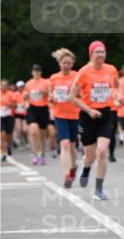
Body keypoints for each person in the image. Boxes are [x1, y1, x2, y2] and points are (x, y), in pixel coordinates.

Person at [70, 41, 119, 200]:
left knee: (102, 151)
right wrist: (89, 110)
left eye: (103, 52)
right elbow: (72, 96)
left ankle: (99, 189)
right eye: (97, 52)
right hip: (88, 116)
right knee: (90, 155)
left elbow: (116, 86)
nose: (100, 54)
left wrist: (117, 97)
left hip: (106, 114)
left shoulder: (111, 70)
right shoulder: (84, 72)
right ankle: (86, 168)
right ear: (91, 54)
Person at [48, 48, 79, 188]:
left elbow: (82, 94)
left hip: (75, 115)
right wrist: (51, 98)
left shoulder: (77, 76)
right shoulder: (54, 78)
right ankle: (66, 174)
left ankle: (73, 167)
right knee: (65, 144)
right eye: (64, 62)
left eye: (69, 63)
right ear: (59, 63)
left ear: (72, 64)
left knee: (72, 146)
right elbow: (50, 97)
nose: (66, 65)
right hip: (60, 115)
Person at [24, 64, 50, 165]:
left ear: (41, 72)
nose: (36, 73)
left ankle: (41, 154)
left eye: (38, 71)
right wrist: (26, 97)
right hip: (32, 108)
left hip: (43, 108)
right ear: (32, 72)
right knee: (33, 131)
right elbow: (25, 97)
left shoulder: (45, 82)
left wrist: (44, 91)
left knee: (42, 134)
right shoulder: (29, 83)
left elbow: (50, 94)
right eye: (35, 71)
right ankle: (34, 154)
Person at [1, 79, 15, 162]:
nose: (3, 86)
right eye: (2, 85)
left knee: (8, 135)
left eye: (5, 85)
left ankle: (8, 146)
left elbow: (15, 105)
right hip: (0, 117)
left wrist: (9, 104)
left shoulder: (11, 94)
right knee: (2, 134)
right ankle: (3, 153)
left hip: (9, 116)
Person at [12, 81, 27, 149]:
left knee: (24, 129)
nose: (20, 88)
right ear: (17, 87)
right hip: (17, 113)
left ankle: (25, 139)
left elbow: (28, 101)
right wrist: (17, 105)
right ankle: (21, 143)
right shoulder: (15, 94)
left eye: (22, 86)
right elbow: (13, 103)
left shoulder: (26, 93)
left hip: (25, 113)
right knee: (19, 129)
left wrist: (25, 104)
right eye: (19, 87)